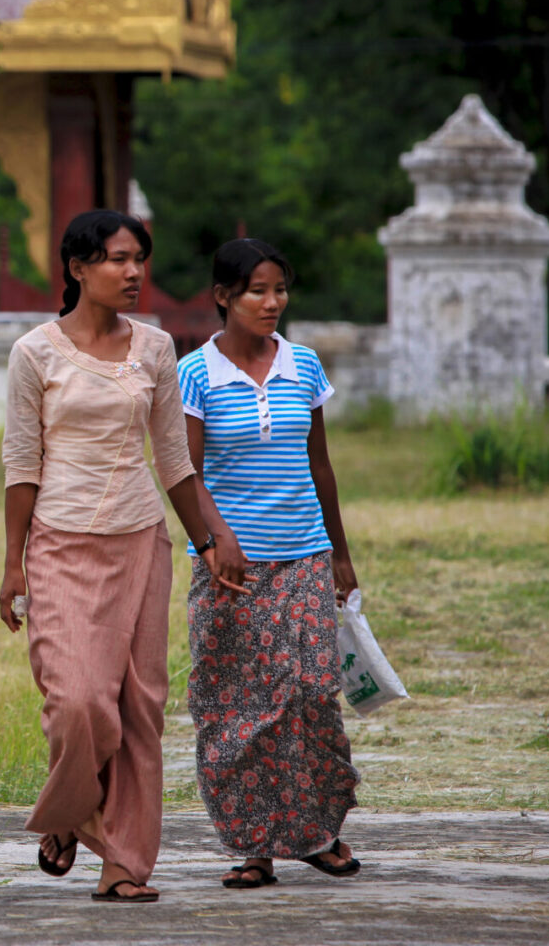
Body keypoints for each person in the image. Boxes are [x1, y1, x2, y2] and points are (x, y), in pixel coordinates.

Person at [0, 210, 245, 904]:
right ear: (77, 268)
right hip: (59, 542)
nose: (134, 273)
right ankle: (71, 811)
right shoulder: (35, 353)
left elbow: (172, 459)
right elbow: (22, 462)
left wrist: (207, 541)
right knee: (80, 703)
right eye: (116, 259)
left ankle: (124, 864)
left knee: (138, 707)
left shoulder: (157, 349)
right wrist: (12, 564)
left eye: (139, 258)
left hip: (141, 541)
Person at [176, 237, 363, 889]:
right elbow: (185, 471)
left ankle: (316, 834)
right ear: (223, 297)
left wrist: (339, 553)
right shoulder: (195, 374)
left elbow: (319, 463)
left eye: (280, 289)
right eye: (257, 290)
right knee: (237, 705)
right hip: (231, 567)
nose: (272, 302)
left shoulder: (304, 365)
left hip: (306, 555)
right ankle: (251, 844)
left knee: (311, 695)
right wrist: (216, 539)